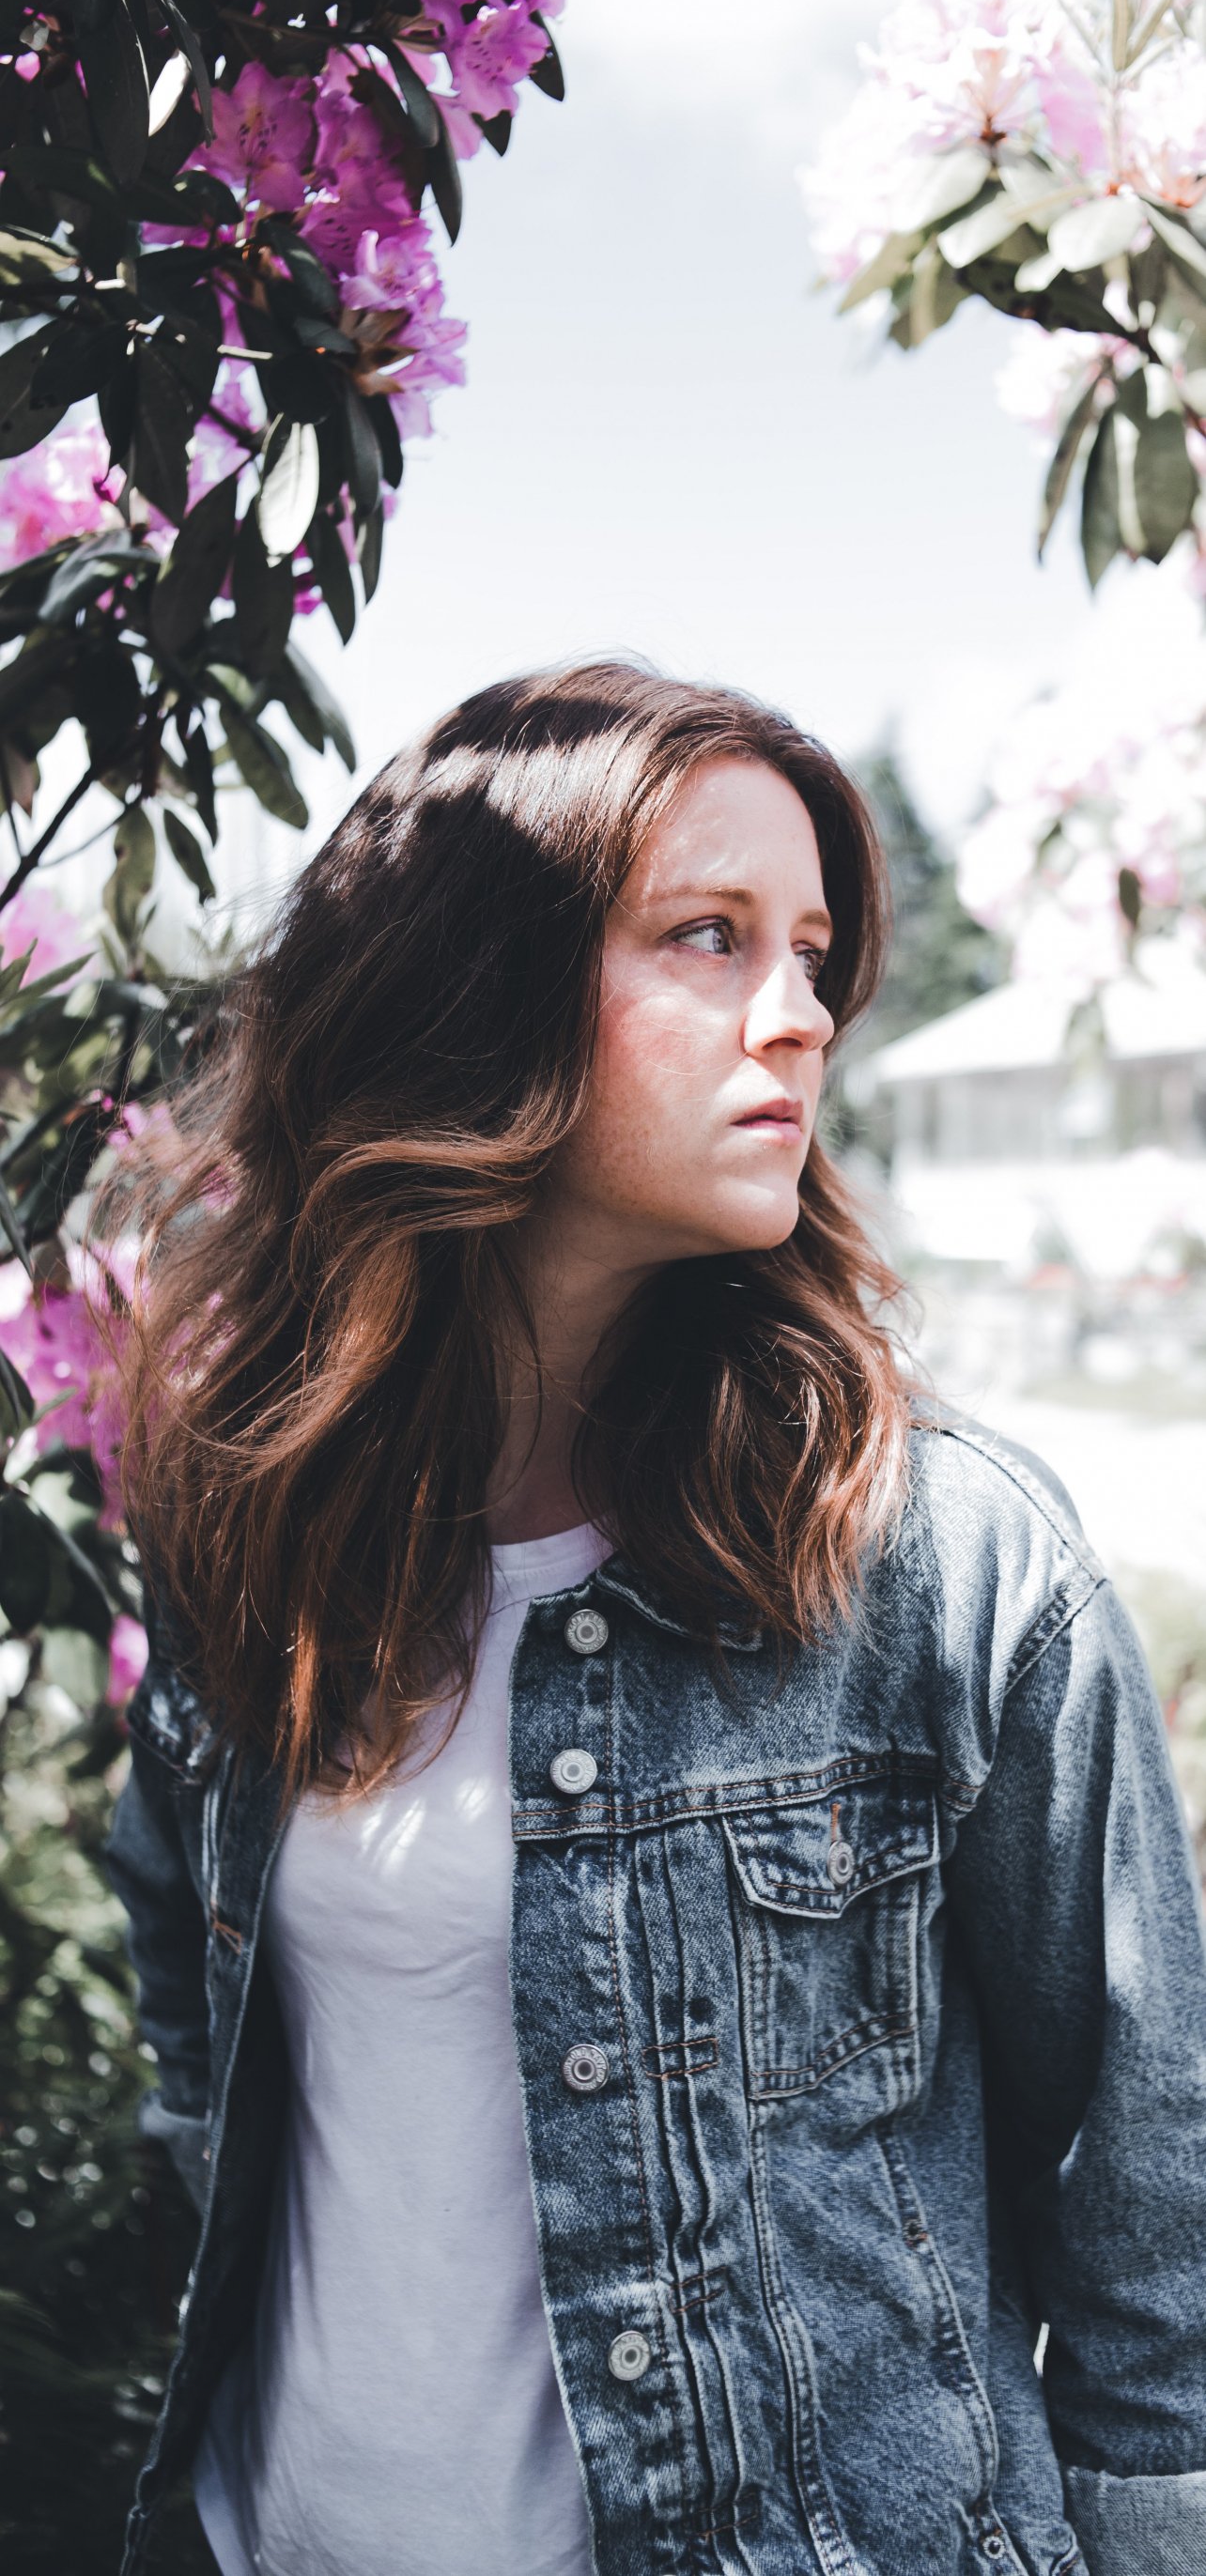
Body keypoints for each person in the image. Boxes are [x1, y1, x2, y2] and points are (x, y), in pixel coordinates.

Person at [106, 661, 1206, 2576]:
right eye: (711, 936)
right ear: (480, 989)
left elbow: (1153, 2236)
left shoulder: (951, 1568)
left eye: (815, 954)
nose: (803, 1015)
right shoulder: (257, 1508)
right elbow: (202, 2026)